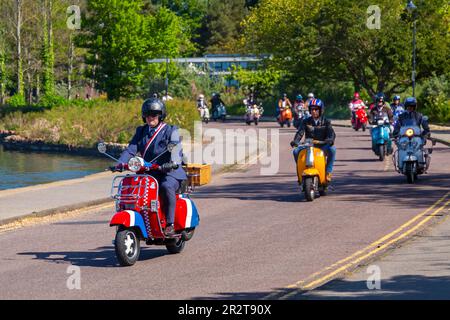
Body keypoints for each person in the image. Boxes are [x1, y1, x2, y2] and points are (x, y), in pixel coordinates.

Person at [114, 98, 187, 236]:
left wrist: (172, 163)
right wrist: (119, 163)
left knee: (166, 186)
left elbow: (176, 149)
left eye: (154, 114)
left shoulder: (171, 130)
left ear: (160, 115)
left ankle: (170, 224)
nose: (150, 118)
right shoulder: (141, 131)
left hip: (169, 172)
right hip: (150, 171)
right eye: (147, 114)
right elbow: (131, 150)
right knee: (134, 188)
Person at [290, 98, 336, 183]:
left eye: (316, 109)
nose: (314, 111)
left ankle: (328, 172)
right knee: (296, 151)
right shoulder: (305, 121)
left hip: (322, 144)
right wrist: (295, 141)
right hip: (309, 145)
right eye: (312, 109)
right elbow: (300, 132)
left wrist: (330, 140)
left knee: (332, 150)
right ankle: (300, 172)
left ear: (321, 110)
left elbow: (331, 133)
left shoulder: (326, 121)